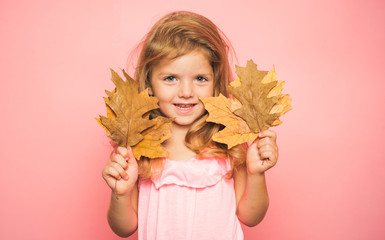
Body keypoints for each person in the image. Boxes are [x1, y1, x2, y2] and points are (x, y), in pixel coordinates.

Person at [102, 11, 278, 240]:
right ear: (150, 83)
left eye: (200, 79)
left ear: (216, 82)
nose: (186, 93)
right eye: (170, 78)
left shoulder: (228, 142)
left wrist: (256, 173)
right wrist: (121, 194)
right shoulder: (137, 148)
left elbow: (250, 216)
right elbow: (123, 228)